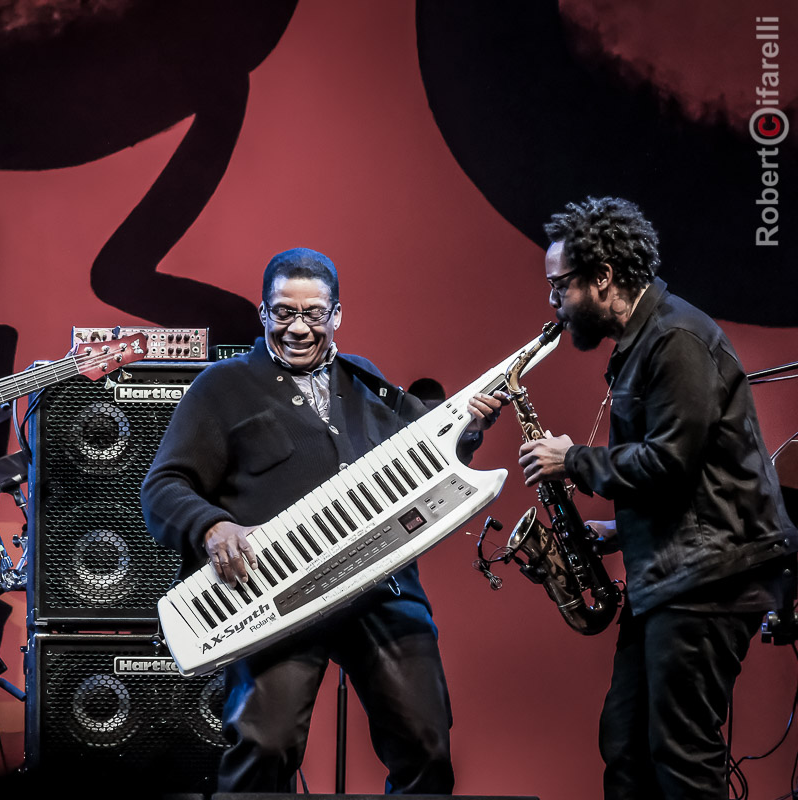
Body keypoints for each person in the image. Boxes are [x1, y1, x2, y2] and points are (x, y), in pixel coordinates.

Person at [141, 247, 507, 793]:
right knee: (265, 750)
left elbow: (431, 448)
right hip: (274, 595)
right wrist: (212, 525)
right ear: (263, 314)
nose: (298, 327)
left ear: (337, 315)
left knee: (427, 748)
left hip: (380, 584)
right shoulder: (221, 387)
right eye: (284, 311)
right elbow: (162, 487)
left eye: (314, 313)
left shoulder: (366, 381)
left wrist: (470, 427)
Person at [518, 196, 797, 800]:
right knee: (626, 745)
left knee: (682, 753)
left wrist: (574, 460)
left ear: (602, 278)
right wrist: (619, 532)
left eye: (559, 286)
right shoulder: (646, 339)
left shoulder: (675, 338)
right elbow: (694, 478)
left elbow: (671, 462)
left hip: (707, 579)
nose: (553, 303)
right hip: (674, 573)